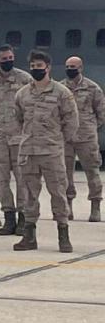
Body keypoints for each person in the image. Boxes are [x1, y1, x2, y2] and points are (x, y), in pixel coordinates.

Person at [13, 50, 79, 252]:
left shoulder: (61, 93)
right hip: (29, 152)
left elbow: (72, 121)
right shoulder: (22, 93)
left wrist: (58, 142)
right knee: (30, 195)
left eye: (39, 67)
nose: (36, 70)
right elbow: (18, 119)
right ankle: (29, 236)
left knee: (58, 193)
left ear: (48, 68)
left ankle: (63, 234)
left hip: (51, 152)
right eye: (33, 67)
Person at [0, 44, 33, 236]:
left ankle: (23, 218)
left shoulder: (24, 79)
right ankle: (8, 217)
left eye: (10, 57)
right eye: (4, 59)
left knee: (22, 179)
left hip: (19, 136)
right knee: (0, 179)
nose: (8, 61)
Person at [62, 56, 104, 222]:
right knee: (65, 174)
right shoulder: (60, 88)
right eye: (67, 66)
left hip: (86, 137)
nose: (70, 69)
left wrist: (90, 127)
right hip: (66, 138)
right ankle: (68, 207)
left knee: (92, 172)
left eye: (73, 66)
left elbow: (101, 113)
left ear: (80, 68)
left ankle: (95, 207)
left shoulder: (93, 88)